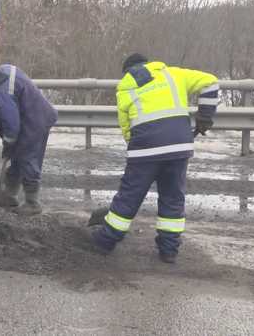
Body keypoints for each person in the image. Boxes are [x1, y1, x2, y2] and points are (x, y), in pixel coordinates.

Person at [91, 53, 219, 263]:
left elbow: (126, 128)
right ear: (149, 64)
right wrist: (205, 116)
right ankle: (168, 251)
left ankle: (105, 241)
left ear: (128, 71)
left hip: (145, 150)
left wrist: (138, 149)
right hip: (179, 146)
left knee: (129, 196)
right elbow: (211, 83)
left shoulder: (125, 87)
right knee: (172, 197)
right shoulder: (174, 74)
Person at [0, 62, 58, 215]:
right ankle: (10, 197)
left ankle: (32, 203)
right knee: (18, 157)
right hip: (33, 115)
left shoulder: (2, 93)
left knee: (27, 158)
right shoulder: (5, 70)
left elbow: (11, 124)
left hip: (34, 122)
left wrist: (8, 144)